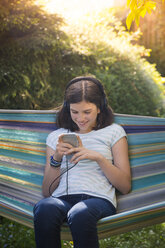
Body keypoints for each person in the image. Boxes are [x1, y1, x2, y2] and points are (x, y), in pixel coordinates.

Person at [33, 76, 131, 248]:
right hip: (61, 199)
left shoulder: (114, 132)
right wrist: (56, 158)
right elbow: (47, 191)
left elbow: (124, 185)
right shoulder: (56, 137)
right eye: (74, 112)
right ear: (67, 108)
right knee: (44, 208)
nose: (80, 118)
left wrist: (98, 157)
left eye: (87, 112)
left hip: (98, 200)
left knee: (80, 213)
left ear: (100, 108)